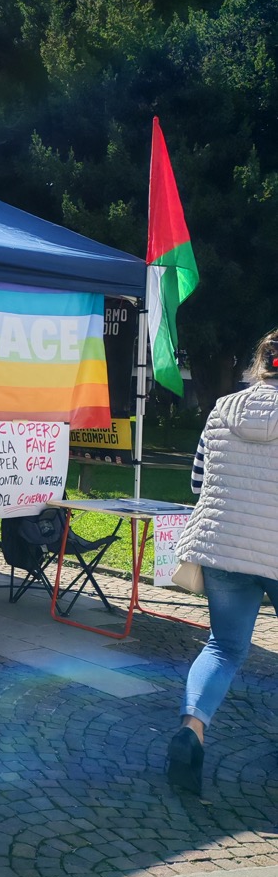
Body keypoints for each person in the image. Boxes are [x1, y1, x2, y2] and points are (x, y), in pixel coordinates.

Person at [167, 327, 278, 795]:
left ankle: (191, 731)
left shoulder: (222, 408)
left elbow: (198, 482)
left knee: (223, 648)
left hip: (224, 546)